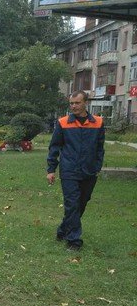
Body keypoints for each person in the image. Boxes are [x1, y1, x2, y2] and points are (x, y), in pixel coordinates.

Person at [46, 90, 105, 251]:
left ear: (85, 103)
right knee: (72, 204)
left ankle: (63, 230)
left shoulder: (98, 123)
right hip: (69, 170)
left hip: (89, 171)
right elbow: (54, 147)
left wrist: (97, 166)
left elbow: (100, 148)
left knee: (81, 204)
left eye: (77, 103)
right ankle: (74, 240)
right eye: (71, 103)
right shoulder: (63, 123)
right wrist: (51, 169)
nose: (74, 106)